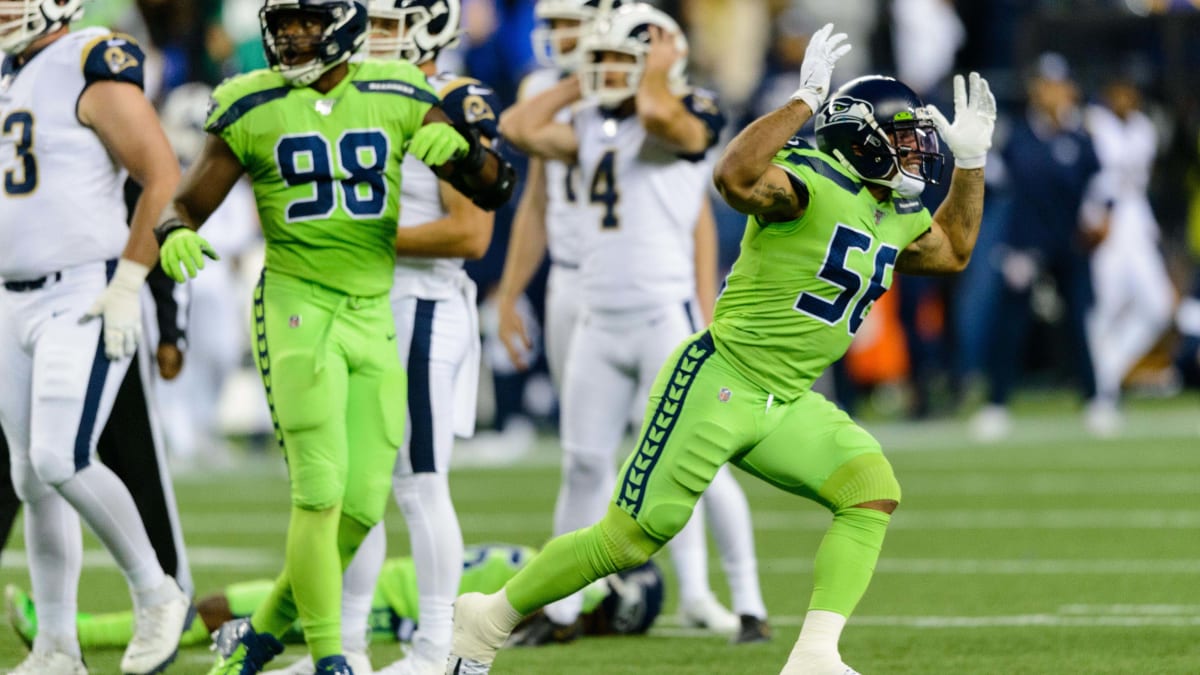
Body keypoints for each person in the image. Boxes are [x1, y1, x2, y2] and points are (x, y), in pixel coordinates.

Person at [450, 23, 996, 675]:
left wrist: (971, 163)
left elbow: (956, 250)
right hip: (722, 378)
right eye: (903, 138)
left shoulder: (898, 212)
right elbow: (734, 176)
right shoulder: (807, 181)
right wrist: (803, 101)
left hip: (786, 399)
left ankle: (814, 655)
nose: (916, 152)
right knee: (629, 537)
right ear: (863, 139)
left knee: (869, 487)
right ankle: (487, 617)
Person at [153, 1, 515, 673]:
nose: (293, 36)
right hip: (312, 303)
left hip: (404, 304)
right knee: (327, 493)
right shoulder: (256, 100)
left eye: (385, 26)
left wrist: (466, 153)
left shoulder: (422, 92)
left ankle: (411, 646)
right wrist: (174, 229)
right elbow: (188, 200)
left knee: (392, 491)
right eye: (284, 22)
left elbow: (485, 207)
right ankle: (336, 651)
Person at [497, 1, 769, 645]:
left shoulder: (690, 109)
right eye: (604, 60)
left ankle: (750, 604)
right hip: (598, 316)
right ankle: (562, 613)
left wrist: (653, 69)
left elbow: (658, 117)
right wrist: (580, 75)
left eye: (623, 59)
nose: (609, 72)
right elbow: (518, 126)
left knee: (704, 464)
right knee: (584, 465)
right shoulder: (593, 119)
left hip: (662, 317)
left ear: (657, 60)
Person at [272, 1, 502, 674]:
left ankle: (439, 649)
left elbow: (472, 231)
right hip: (362, 307)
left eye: (389, 25)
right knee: (348, 488)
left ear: (431, 27)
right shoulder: (363, 94)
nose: (373, 40)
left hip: (422, 301)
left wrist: (359, 236)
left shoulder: (447, 98)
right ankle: (343, 649)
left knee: (418, 481)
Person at [0, 1, 194, 673]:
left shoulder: (90, 57)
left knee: (62, 456)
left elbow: (163, 174)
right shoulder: (11, 70)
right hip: (12, 297)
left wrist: (131, 279)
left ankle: (157, 591)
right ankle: (57, 646)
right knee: (31, 477)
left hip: (81, 289)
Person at [5, 544, 666, 654]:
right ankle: (76, 633)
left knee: (221, 613)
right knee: (220, 612)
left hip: (380, 598)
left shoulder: (541, 561)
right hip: (382, 596)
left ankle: (76, 633)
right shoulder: (552, 592)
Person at [969, 53, 1107, 441]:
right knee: (1010, 326)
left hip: (1069, 242)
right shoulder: (1016, 135)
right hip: (1025, 245)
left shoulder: (1079, 136)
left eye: (1058, 84)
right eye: (1045, 84)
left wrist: (1099, 218)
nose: (1052, 92)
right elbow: (992, 183)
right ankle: (996, 404)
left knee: (1078, 320)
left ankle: (1095, 399)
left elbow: (1099, 184)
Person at [1083, 77, 1175, 432]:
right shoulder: (1095, 122)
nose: (1125, 97)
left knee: (1159, 305)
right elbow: (1094, 176)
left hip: (1135, 225)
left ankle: (1106, 374)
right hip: (1106, 226)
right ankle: (1101, 396)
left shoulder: (1143, 128)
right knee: (1104, 309)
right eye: (1118, 91)